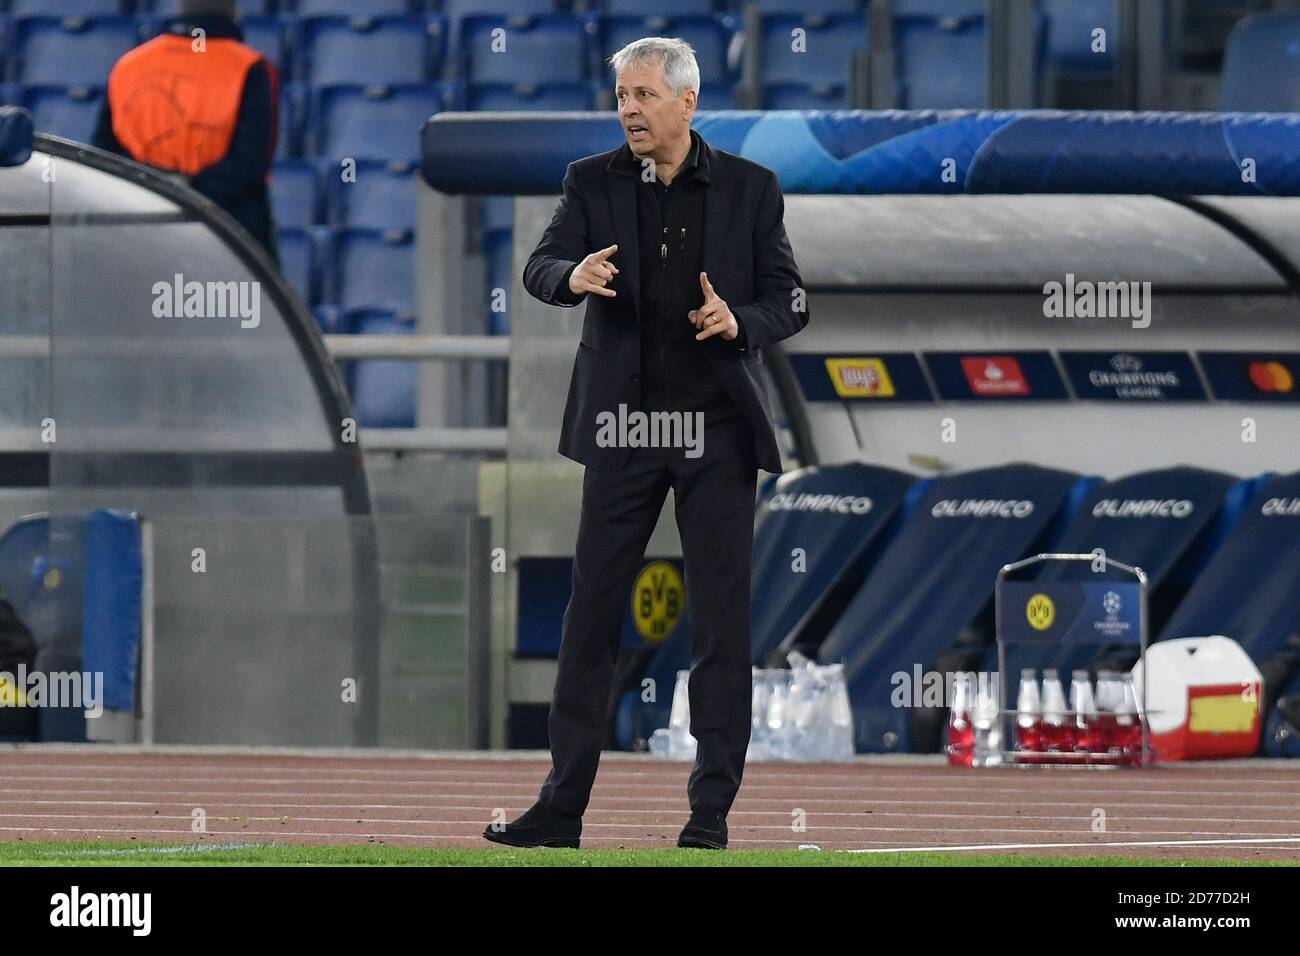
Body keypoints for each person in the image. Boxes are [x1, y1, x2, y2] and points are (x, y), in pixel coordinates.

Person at [484, 37, 808, 851]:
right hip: (623, 429)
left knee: (720, 627)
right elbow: (539, 263)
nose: (628, 108)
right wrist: (570, 277)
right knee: (591, 616)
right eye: (621, 95)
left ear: (687, 103)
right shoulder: (589, 181)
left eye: (643, 95)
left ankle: (709, 813)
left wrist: (742, 321)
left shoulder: (751, 190)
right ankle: (560, 811)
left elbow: (791, 298)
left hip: (716, 432)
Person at [91, 0, 279, 260]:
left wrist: (157, 188)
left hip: (141, 236)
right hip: (229, 241)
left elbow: (104, 158)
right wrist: (189, 190)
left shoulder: (128, 66)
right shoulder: (250, 68)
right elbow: (249, 166)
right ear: (235, 12)